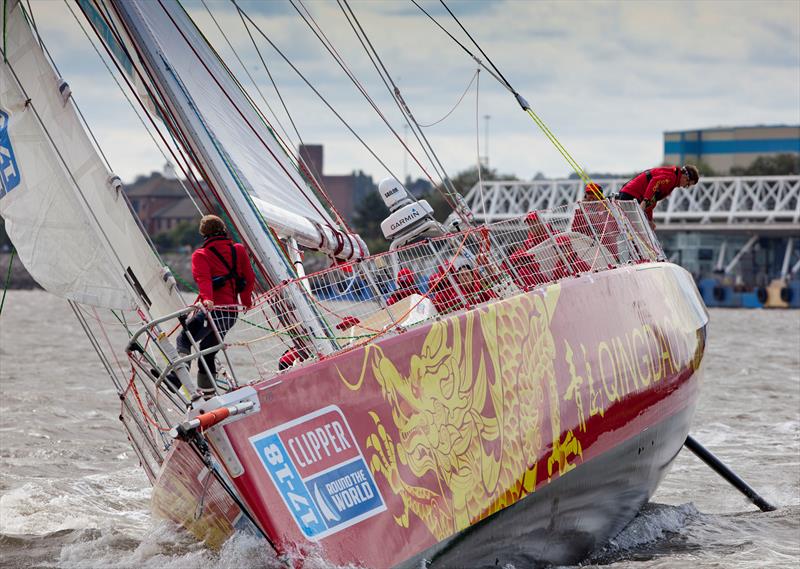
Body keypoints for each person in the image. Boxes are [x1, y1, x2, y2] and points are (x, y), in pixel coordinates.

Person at [176, 214, 255, 398]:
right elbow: (249, 279)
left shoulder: (200, 255)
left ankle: (175, 379)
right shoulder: (239, 250)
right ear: (224, 230)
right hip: (230, 314)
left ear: (203, 233)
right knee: (207, 352)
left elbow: (203, 279)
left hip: (211, 312)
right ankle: (209, 395)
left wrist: (208, 300)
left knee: (184, 340)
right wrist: (246, 302)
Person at [618, 165, 700, 228]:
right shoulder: (671, 178)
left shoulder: (672, 178)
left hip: (630, 195)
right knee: (634, 230)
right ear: (685, 178)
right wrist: (645, 201)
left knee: (632, 230)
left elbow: (653, 199)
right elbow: (654, 182)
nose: (684, 187)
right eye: (687, 185)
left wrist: (650, 220)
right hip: (631, 195)